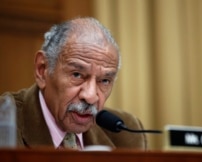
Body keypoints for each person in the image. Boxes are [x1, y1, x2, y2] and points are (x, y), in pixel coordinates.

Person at [0, 17, 146, 150]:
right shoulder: (5, 123)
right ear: (42, 70)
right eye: (77, 75)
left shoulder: (127, 134)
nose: (90, 97)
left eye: (104, 80)